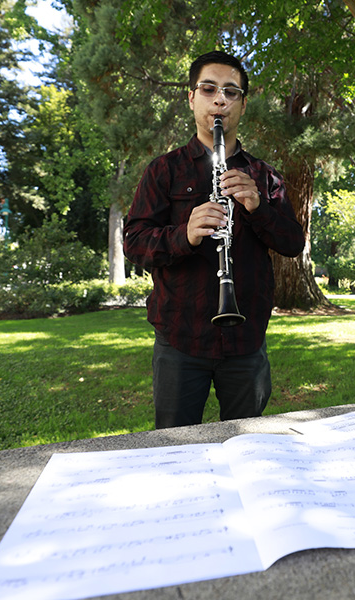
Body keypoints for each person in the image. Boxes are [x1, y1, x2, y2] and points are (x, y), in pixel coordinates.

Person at [124, 50, 305, 429]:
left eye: (231, 92)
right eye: (208, 89)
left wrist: (258, 207)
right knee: (173, 447)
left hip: (246, 341)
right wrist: (183, 235)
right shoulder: (163, 170)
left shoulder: (264, 176)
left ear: (242, 103)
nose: (220, 99)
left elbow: (292, 243)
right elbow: (135, 242)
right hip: (179, 338)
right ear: (192, 98)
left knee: (247, 444)